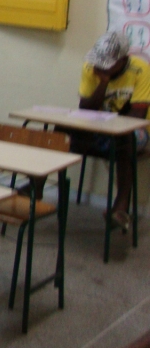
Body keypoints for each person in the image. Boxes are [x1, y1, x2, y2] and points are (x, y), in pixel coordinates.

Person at [32, 31, 149, 230]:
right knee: (60, 130)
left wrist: (108, 126)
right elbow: (85, 109)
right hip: (98, 128)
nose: (100, 67)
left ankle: (121, 206)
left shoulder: (141, 70)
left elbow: (137, 116)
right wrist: (103, 82)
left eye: (107, 64)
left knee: (125, 138)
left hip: (136, 133)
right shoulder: (91, 67)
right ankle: (37, 187)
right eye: (99, 62)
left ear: (123, 60)